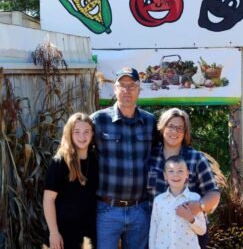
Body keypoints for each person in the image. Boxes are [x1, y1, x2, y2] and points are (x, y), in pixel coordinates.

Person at [90, 67, 159, 249]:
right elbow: (77, 151)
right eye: (122, 86)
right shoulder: (98, 120)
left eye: (132, 86)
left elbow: (161, 156)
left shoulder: (150, 122)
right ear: (115, 89)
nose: (127, 90)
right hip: (107, 210)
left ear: (139, 89)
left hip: (140, 209)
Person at [147, 108, 220, 248]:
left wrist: (199, 206)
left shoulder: (196, 158)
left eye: (180, 128)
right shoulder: (150, 156)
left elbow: (213, 193)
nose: (175, 131)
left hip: (190, 233)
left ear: (185, 132)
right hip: (160, 234)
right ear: (162, 128)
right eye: (171, 126)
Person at [43, 112, 97, 249]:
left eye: (86, 132)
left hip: (88, 234)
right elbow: (48, 200)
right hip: (63, 233)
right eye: (76, 132)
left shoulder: (95, 160)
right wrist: (54, 233)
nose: (82, 137)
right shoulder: (60, 162)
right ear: (69, 133)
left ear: (92, 134)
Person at [149, 155, 206, 249]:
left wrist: (190, 218)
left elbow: (202, 230)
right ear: (165, 175)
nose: (176, 175)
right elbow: (153, 231)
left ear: (187, 174)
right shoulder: (158, 200)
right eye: (171, 171)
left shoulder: (195, 198)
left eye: (180, 171)